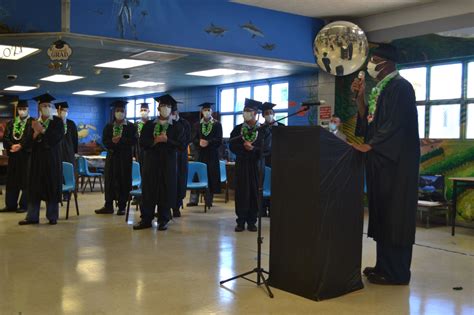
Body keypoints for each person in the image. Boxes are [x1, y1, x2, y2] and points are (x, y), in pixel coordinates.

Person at [352, 43, 420, 285]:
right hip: (382, 163)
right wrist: (360, 98)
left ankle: (397, 272)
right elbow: (368, 121)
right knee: (383, 216)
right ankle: (384, 265)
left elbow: (396, 124)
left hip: (397, 165)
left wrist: (370, 145)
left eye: (375, 59)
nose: (370, 64)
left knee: (396, 217)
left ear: (387, 62)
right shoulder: (380, 88)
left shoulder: (401, 87)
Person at [133, 94, 184, 231]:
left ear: (171, 109)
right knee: (149, 189)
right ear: (158, 108)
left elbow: (181, 145)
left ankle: (163, 219)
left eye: (168, 106)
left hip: (168, 162)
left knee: (165, 189)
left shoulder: (177, 127)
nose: (165, 108)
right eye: (163, 106)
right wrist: (155, 141)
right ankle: (146, 218)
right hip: (151, 162)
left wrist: (167, 140)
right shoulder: (150, 125)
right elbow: (142, 143)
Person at [19, 93, 64, 225]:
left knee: (52, 186)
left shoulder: (57, 122)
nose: (47, 107)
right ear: (39, 108)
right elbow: (26, 143)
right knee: (35, 188)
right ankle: (32, 217)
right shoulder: (33, 123)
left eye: (49, 106)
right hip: (36, 161)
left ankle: (52, 216)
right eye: (44, 105)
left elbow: (56, 138)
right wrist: (35, 134)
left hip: (52, 160)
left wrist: (43, 131)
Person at [229, 98, 270, 232]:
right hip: (242, 163)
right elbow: (232, 145)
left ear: (255, 113)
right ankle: (240, 221)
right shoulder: (237, 130)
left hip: (257, 165)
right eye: (244, 111)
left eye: (248, 111)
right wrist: (244, 148)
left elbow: (268, 148)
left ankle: (252, 221)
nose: (245, 113)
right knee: (241, 192)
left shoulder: (264, 130)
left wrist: (253, 149)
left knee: (254, 192)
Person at [95, 100, 137, 216]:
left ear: (125, 112)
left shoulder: (130, 127)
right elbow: (104, 141)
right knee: (110, 179)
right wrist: (112, 142)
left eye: (122, 111)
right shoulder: (109, 126)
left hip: (125, 158)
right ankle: (108, 205)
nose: (120, 113)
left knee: (123, 180)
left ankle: (122, 206)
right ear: (114, 112)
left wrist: (121, 140)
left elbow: (134, 141)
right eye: (118, 110)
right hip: (112, 157)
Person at [1, 100, 33, 213]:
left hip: (26, 156)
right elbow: (6, 137)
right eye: (20, 109)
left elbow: (31, 137)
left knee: (26, 180)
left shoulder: (33, 122)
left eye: (24, 109)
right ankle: (10, 205)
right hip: (14, 156)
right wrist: (12, 145)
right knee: (11, 180)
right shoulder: (12, 122)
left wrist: (21, 145)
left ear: (28, 109)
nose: (22, 111)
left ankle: (24, 205)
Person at [188, 102, 223, 208]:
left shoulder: (217, 124)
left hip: (212, 154)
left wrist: (209, 142)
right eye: (205, 110)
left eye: (208, 110)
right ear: (201, 112)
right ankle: (194, 200)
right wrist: (199, 142)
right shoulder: (197, 124)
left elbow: (219, 140)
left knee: (210, 175)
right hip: (200, 154)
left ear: (211, 111)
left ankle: (209, 200)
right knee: (196, 175)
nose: (207, 112)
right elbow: (193, 138)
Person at [171, 103, 191, 218]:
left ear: (177, 112)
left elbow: (186, 140)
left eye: (173, 112)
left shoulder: (185, 123)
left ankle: (176, 207)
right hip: (168, 157)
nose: (172, 114)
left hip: (180, 157)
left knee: (179, 181)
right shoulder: (164, 124)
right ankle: (165, 207)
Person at [260, 102, 285, 167]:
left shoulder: (281, 126)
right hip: (265, 158)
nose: (269, 115)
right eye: (266, 113)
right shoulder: (260, 128)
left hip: (279, 156)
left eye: (271, 113)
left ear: (274, 114)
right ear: (263, 115)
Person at [55, 102, 78, 166]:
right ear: (58, 110)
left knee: (69, 168)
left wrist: (74, 151)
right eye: (63, 110)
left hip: (68, 150)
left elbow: (75, 138)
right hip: (57, 151)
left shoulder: (71, 123)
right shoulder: (53, 123)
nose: (65, 112)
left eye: (66, 110)